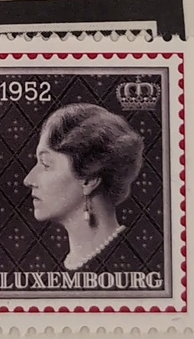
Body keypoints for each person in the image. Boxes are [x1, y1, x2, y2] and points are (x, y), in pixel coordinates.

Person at [22, 102, 148, 272]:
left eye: (46, 164)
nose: (28, 180)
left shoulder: (136, 262)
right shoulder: (47, 267)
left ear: (89, 179)